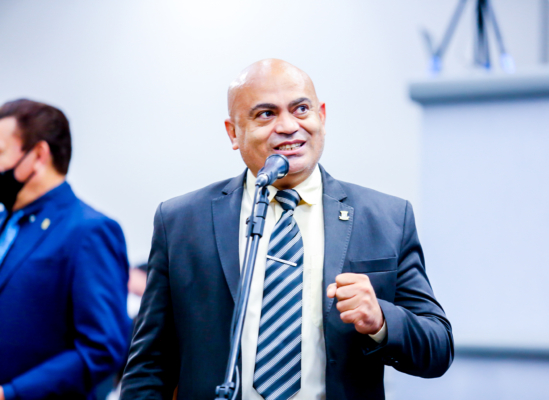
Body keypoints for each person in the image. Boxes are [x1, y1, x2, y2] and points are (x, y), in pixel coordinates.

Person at [121, 59, 453, 400]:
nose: (289, 126)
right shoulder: (181, 222)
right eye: (266, 114)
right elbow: (149, 365)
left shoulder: (387, 218)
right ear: (233, 132)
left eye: (301, 109)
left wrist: (382, 320)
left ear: (322, 116)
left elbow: (438, 347)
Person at [0, 99, 131, 400]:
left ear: (38, 155)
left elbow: (102, 348)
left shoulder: (89, 231)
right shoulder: (5, 221)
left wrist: (11, 393)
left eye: (0, 152)